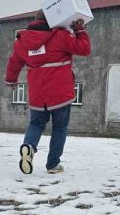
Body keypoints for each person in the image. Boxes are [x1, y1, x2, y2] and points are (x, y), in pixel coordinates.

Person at [5, 10, 91, 174]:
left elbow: (14, 62)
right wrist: (80, 30)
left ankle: (29, 147)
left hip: (38, 94)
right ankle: (52, 165)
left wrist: (11, 80)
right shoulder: (60, 35)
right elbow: (84, 49)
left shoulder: (22, 41)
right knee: (59, 127)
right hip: (60, 93)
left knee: (36, 124)